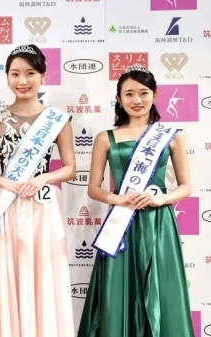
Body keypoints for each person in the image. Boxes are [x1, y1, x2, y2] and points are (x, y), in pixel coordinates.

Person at [0, 44, 76, 337]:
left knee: (41, 272)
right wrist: (5, 183)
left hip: (43, 205)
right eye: (15, 74)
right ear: (6, 77)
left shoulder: (57, 119)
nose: (22, 81)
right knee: (5, 272)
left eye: (30, 73)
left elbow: (69, 167)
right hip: (8, 205)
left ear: (42, 75)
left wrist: (43, 180)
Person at [78, 64, 194, 336]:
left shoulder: (171, 136)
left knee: (161, 288)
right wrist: (117, 198)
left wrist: (160, 199)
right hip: (121, 223)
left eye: (143, 93)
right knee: (119, 289)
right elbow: (93, 188)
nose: (136, 100)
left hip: (158, 223)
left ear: (155, 94)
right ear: (118, 99)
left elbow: (186, 186)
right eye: (128, 94)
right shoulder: (105, 138)